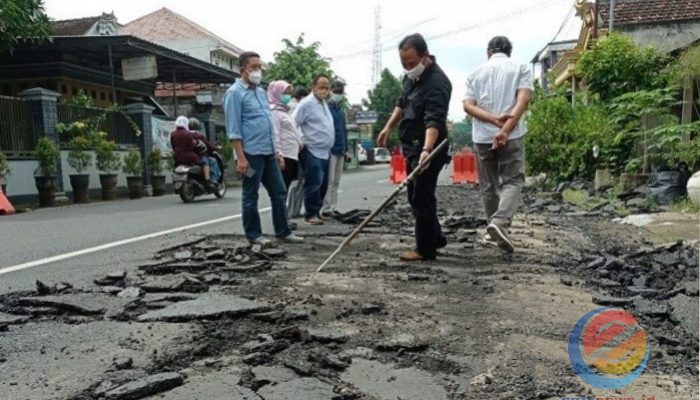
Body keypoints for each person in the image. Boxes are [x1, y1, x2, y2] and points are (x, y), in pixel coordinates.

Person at [377, 33, 451, 262]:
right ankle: (435, 237)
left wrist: (427, 151)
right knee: (416, 195)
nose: (408, 67)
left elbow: (434, 119)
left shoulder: (438, 82)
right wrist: (388, 127)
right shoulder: (410, 78)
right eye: (403, 63)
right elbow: (402, 103)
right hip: (411, 147)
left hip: (430, 148)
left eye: (411, 63)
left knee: (421, 197)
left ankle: (425, 249)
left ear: (425, 56)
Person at [223, 51, 303, 245]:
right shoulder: (234, 94)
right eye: (254, 67)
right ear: (243, 70)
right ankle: (254, 235)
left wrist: (277, 152)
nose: (258, 71)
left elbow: (269, 125)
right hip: (250, 155)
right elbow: (233, 130)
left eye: (260, 67)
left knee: (279, 191)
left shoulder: (260, 92)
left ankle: (283, 231)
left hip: (268, 154)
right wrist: (241, 158)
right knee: (251, 194)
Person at [463, 36, 533, 253]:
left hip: (482, 137)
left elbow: (467, 106)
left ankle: (492, 230)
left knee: (488, 185)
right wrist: (503, 130)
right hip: (512, 135)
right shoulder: (520, 68)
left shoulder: (475, 73)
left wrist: (493, 122)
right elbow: (523, 100)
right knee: (513, 181)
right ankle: (500, 223)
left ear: (488, 52)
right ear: (509, 51)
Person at [292, 74, 335, 226]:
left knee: (323, 183)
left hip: (325, 150)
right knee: (313, 182)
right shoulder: (306, 104)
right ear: (313, 87)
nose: (324, 90)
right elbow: (293, 123)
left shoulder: (323, 104)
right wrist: (300, 140)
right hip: (312, 149)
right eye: (321, 87)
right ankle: (310, 214)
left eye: (327, 87)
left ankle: (317, 211)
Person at [268, 80, 304, 230]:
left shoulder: (284, 110)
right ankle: (282, 222)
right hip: (285, 156)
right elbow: (275, 134)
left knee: (286, 188)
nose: (287, 96)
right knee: (281, 190)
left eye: (289, 93)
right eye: (284, 93)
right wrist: (279, 153)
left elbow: (292, 131)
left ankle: (284, 220)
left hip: (292, 155)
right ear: (276, 93)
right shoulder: (274, 112)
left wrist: (299, 143)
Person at [321, 80, 349, 217]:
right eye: (336, 91)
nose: (338, 94)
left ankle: (333, 206)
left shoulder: (341, 111)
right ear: (331, 91)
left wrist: (347, 149)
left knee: (337, 181)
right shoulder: (325, 109)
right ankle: (325, 207)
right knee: (329, 181)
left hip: (341, 149)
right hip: (330, 149)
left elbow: (344, 131)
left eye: (340, 92)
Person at [170, 115, 215, 190]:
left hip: (178, 158)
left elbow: (173, 146)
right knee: (205, 162)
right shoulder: (188, 134)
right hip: (190, 157)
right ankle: (207, 180)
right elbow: (192, 147)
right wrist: (197, 144)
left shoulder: (173, 134)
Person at [287, 87, 309, 219]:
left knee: (297, 182)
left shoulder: (288, 107)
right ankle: (292, 211)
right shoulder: (295, 108)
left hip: (293, 149)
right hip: (295, 149)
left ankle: (294, 211)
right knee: (297, 182)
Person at [187, 117, 222, 185]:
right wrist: (217, 147)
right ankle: (212, 179)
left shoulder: (186, 135)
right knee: (213, 160)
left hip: (187, 157)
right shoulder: (199, 135)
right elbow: (209, 145)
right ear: (197, 126)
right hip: (199, 156)